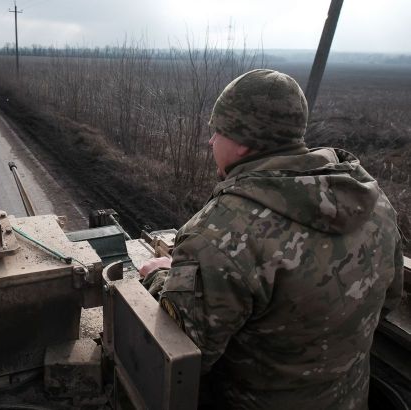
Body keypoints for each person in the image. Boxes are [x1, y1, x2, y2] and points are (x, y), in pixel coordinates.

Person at [140, 69, 404, 410]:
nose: (210, 142)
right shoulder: (375, 203)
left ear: (243, 142)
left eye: (218, 131)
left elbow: (187, 355)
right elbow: (389, 300)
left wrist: (160, 276)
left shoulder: (218, 235)